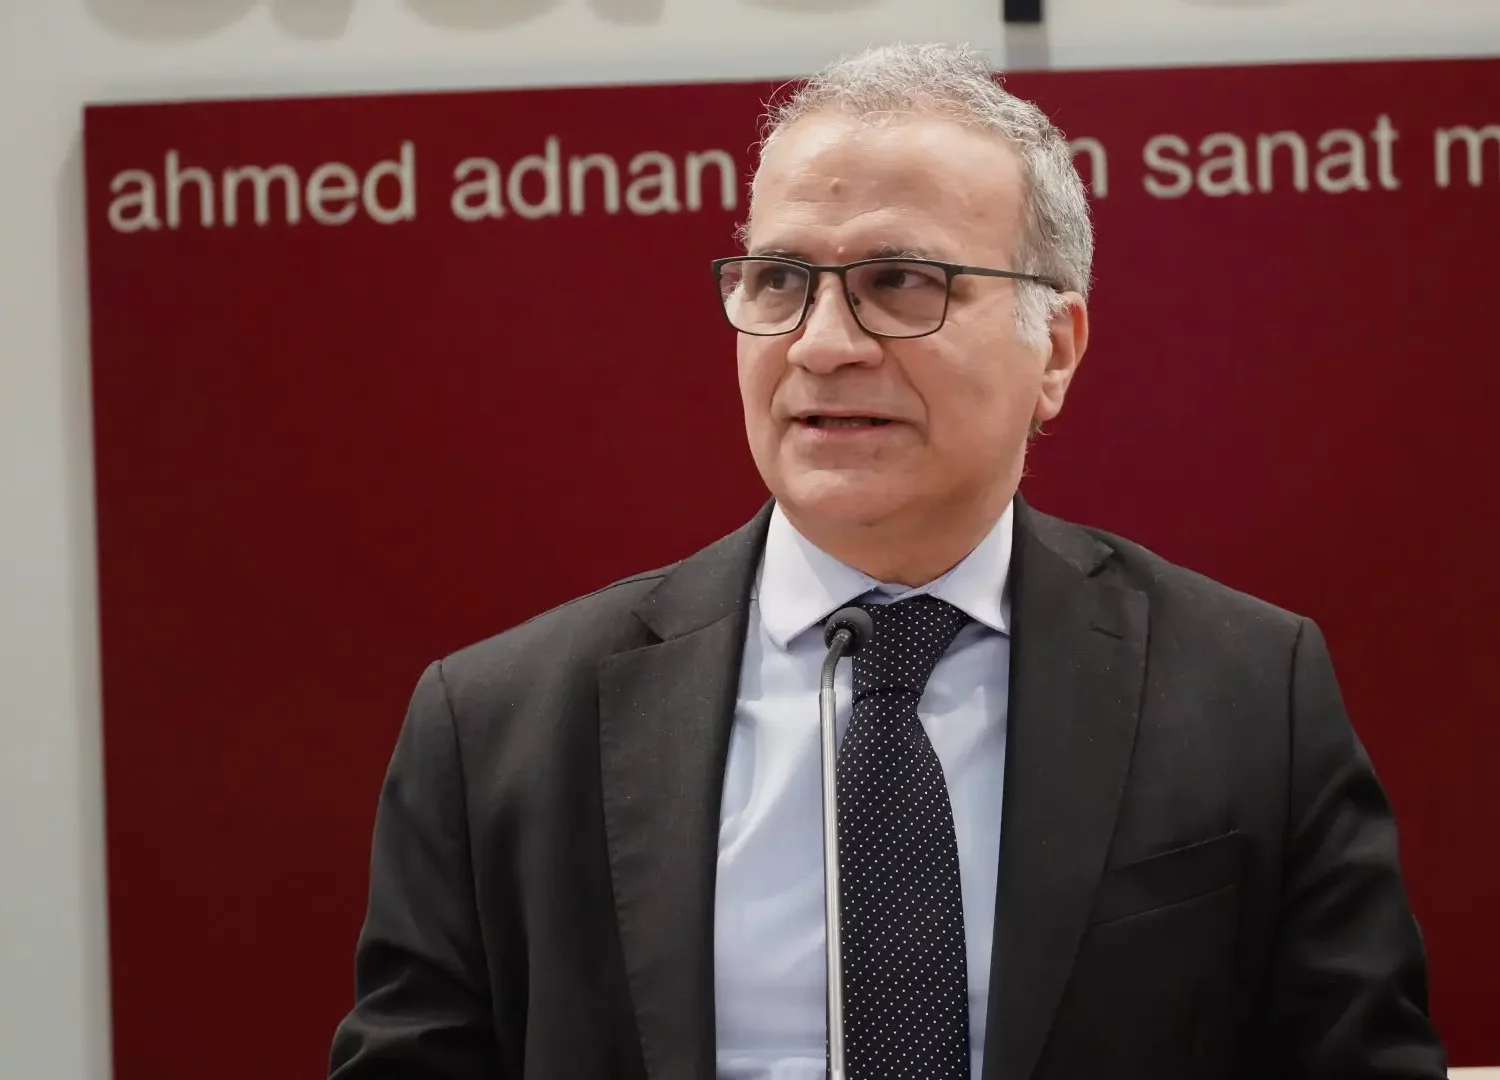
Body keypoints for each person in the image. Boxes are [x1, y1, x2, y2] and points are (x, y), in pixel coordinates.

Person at [327, 42, 1447, 1080]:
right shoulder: (500, 726)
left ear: (1055, 350)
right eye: (778, 281)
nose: (822, 344)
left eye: (902, 282)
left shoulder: (1251, 694)